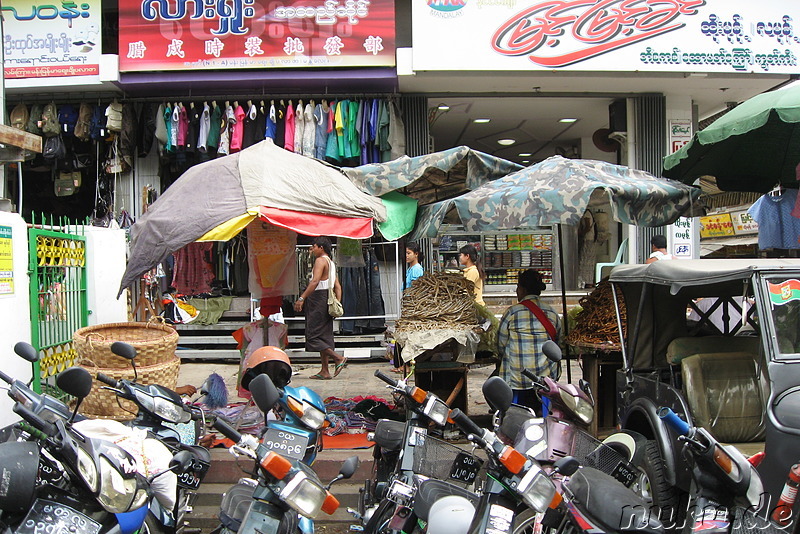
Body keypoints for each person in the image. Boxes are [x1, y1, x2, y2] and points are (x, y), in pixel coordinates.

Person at [497, 269, 561, 412]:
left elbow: (501, 344)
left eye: (518, 287)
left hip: (516, 377)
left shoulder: (512, 312)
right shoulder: (552, 313)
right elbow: (556, 344)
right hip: (544, 379)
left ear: (522, 289)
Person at [293, 236, 348, 379]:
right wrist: (336, 303)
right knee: (324, 335)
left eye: (314, 246)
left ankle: (338, 358)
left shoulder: (320, 261)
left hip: (318, 299)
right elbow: (338, 287)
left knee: (313, 336)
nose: (312, 249)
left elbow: (315, 281)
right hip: (328, 299)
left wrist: (301, 298)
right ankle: (325, 370)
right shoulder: (331, 263)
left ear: (321, 248)